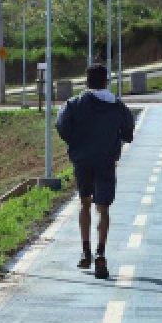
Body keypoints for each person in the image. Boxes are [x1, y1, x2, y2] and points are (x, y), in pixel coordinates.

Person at [56, 64, 135, 280]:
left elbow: (61, 126)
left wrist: (76, 142)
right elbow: (128, 132)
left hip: (82, 160)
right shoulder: (117, 106)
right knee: (103, 208)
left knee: (85, 202)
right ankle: (101, 252)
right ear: (106, 82)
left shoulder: (74, 104)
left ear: (86, 82)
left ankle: (85, 250)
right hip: (106, 161)